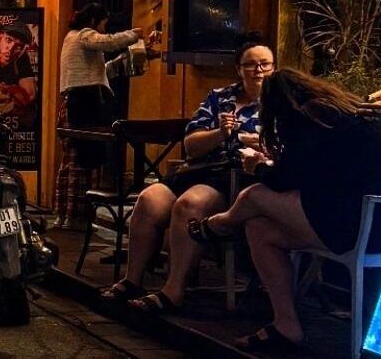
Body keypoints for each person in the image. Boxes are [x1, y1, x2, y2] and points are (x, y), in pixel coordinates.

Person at [191, 69, 381, 352]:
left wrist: (256, 166)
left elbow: (285, 179)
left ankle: (219, 225)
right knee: (258, 228)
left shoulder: (313, 118)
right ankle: (286, 325)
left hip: (353, 227)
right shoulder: (348, 114)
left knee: (255, 196)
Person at [107, 41, 273, 311]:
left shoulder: (278, 104)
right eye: (250, 64)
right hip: (200, 169)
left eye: (265, 64)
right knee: (150, 199)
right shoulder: (220, 98)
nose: (258, 70)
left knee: (189, 204)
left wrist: (254, 142)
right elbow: (191, 145)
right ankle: (132, 280)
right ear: (238, 69)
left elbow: (281, 147)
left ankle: (173, 291)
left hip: (235, 179)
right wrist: (220, 133)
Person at [53, 3, 141, 228]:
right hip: (84, 105)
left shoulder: (71, 38)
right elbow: (106, 41)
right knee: (85, 162)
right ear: (93, 21)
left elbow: (97, 72)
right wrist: (133, 35)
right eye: (103, 23)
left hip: (74, 103)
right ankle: (76, 217)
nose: (104, 28)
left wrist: (120, 63)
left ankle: (65, 214)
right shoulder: (84, 34)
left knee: (72, 161)